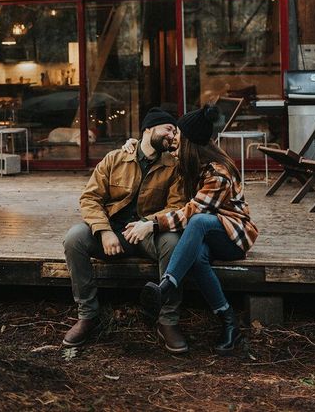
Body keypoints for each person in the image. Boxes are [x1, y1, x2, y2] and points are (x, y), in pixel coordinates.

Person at [123, 104, 258, 355]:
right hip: (206, 233)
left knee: (197, 221)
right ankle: (229, 323)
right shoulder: (191, 160)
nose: (174, 138)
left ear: (190, 142)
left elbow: (193, 213)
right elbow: (152, 148)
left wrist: (151, 224)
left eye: (178, 136)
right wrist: (133, 144)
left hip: (233, 235)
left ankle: (166, 287)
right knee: (196, 256)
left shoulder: (219, 173)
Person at [63, 107, 189, 353]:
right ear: (148, 129)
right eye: (168, 129)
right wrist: (104, 231)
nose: (172, 136)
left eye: (175, 132)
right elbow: (90, 198)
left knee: (173, 243)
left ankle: (168, 321)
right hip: (113, 231)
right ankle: (88, 315)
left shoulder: (173, 166)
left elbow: (177, 206)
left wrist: (149, 224)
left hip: (148, 234)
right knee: (74, 238)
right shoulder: (115, 159)